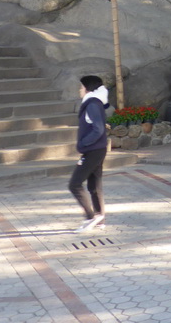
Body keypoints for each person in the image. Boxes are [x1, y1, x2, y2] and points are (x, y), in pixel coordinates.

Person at [69, 75, 109, 233]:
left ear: (87, 89)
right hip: (98, 149)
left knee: (75, 184)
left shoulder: (91, 104)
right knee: (94, 185)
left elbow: (98, 129)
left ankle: (91, 217)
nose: (79, 90)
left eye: (81, 87)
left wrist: (83, 143)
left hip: (93, 150)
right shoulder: (95, 102)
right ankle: (100, 219)